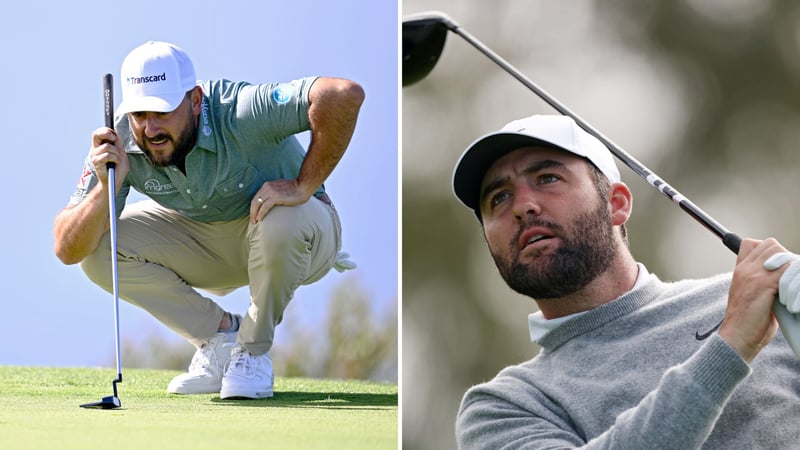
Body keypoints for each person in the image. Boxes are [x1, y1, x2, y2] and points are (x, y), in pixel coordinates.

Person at [451, 114, 800, 448]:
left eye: (547, 179)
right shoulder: (504, 406)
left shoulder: (758, 300)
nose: (522, 206)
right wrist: (732, 345)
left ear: (616, 204)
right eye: (499, 198)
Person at [53, 41, 364, 399]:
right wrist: (106, 188)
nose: (150, 129)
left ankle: (252, 351)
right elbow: (66, 248)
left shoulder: (240, 110)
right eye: (139, 114)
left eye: (162, 112)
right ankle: (219, 338)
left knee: (280, 220)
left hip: (302, 235)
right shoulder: (120, 140)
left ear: (196, 99)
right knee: (96, 248)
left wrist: (302, 185)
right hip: (211, 242)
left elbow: (343, 94)